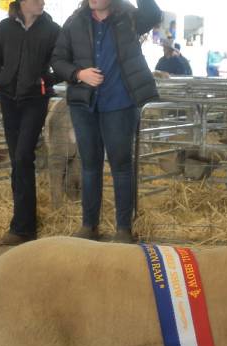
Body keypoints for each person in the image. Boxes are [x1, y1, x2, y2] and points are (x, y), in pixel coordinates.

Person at [51, 0, 161, 243]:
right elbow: (58, 59)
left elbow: (153, 14)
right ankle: (89, 225)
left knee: (121, 165)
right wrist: (78, 74)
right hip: (85, 105)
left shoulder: (129, 19)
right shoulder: (74, 22)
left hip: (119, 103)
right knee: (90, 165)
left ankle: (123, 229)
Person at [0, 0, 60, 246]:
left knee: (22, 156)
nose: (42, 2)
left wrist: (45, 80)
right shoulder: (5, 27)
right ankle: (22, 225)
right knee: (17, 160)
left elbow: (60, 63)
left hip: (35, 100)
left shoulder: (52, 30)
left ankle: (23, 227)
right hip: (9, 98)